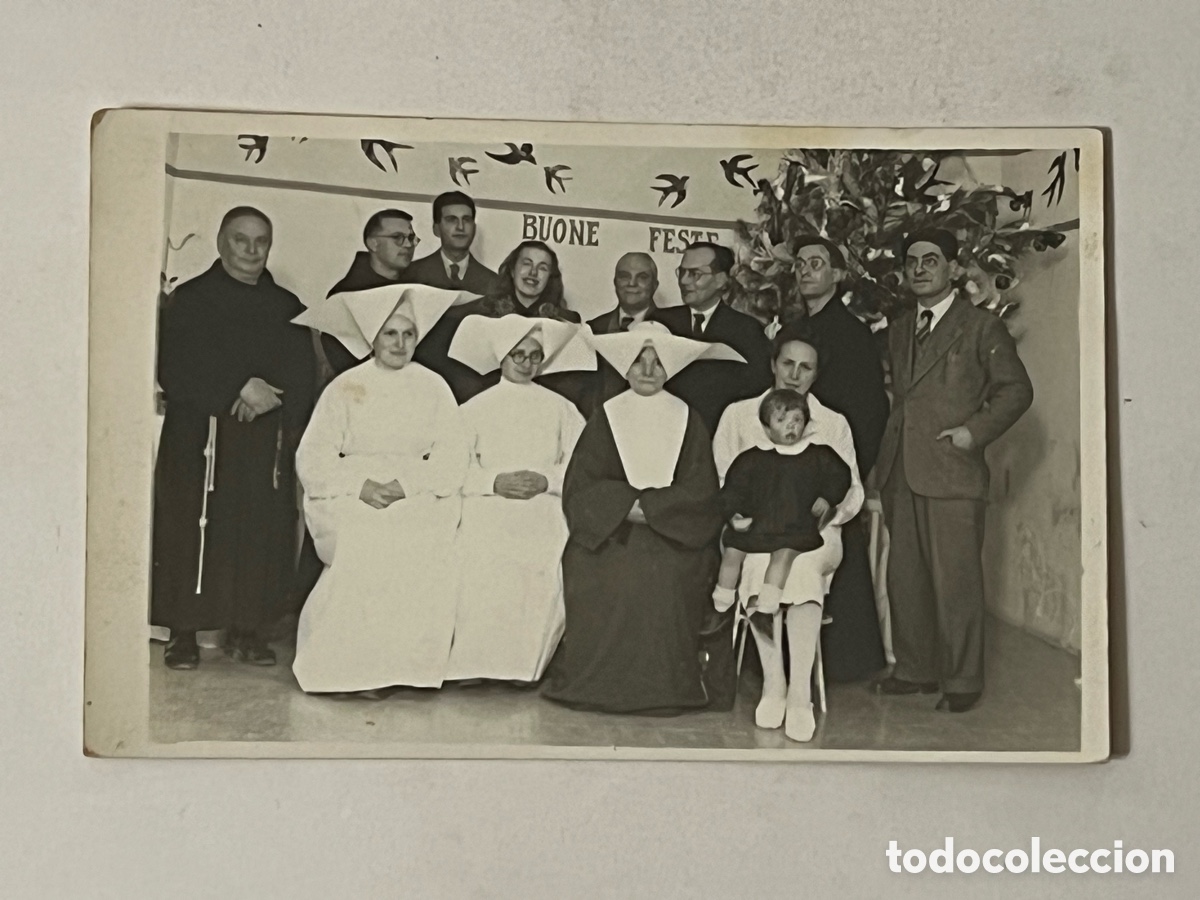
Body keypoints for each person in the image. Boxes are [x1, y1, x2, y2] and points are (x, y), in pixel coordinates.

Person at [873, 228, 1034, 713]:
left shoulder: (982, 326)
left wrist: (973, 432)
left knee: (956, 582)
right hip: (902, 470)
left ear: (953, 269)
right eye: (913, 261)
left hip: (953, 472)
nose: (920, 268)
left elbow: (1016, 391)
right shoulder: (899, 328)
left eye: (931, 260)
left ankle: (963, 681)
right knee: (907, 579)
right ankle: (915, 670)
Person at [544, 322, 742, 714]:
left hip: (674, 537)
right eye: (638, 361)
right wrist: (627, 508)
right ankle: (598, 685)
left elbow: (701, 491)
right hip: (611, 533)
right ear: (624, 367)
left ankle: (665, 688)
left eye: (657, 362)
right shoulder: (606, 416)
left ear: (670, 368)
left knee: (662, 578)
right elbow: (582, 486)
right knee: (605, 574)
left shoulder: (689, 419)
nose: (648, 370)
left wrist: (651, 509)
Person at [152, 206, 316, 669]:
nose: (250, 250)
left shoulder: (287, 306)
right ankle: (182, 632)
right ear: (222, 243)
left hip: (259, 444)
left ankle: (248, 629)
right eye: (241, 240)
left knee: (257, 533)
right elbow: (174, 365)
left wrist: (270, 396)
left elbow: (301, 372)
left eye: (260, 241)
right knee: (190, 531)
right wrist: (237, 388)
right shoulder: (191, 298)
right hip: (198, 439)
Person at [291, 284, 470, 694]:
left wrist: (407, 485)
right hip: (351, 494)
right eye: (390, 333)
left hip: (416, 491)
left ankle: (406, 668)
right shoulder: (344, 387)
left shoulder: (434, 387)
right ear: (373, 337)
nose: (400, 343)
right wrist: (360, 486)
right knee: (367, 537)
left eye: (408, 334)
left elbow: (452, 456)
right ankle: (351, 668)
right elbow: (314, 457)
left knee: (424, 536)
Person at [712, 321, 871, 734]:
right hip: (755, 531)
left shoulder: (831, 423)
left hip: (816, 533)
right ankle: (773, 683)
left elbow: (852, 489)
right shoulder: (739, 415)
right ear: (773, 364)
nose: (795, 375)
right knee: (753, 566)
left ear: (816, 374)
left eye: (806, 368)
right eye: (788, 364)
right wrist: (736, 517)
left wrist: (826, 513)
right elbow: (723, 480)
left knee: (800, 567)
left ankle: (800, 691)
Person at [443, 315, 590, 683]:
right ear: (502, 357)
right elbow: (451, 469)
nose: (526, 364)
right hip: (486, 503)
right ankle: (473, 665)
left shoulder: (562, 408)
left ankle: (523, 668)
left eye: (534, 356)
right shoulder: (473, 409)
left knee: (544, 550)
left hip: (544, 504)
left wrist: (546, 480)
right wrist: (494, 482)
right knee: (480, 552)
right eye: (517, 355)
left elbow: (583, 465)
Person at [715, 389, 851, 619]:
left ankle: (769, 599)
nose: (791, 426)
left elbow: (841, 477)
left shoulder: (819, 456)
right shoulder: (750, 459)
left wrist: (827, 498)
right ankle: (722, 599)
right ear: (766, 427)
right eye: (781, 420)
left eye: (797, 420)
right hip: (756, 526)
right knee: (732, 550)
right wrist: (734, 515)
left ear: (806, 424)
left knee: (784, 554)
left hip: (794, 526)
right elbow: (732, 491)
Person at [653, 241, 773, 436]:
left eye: (695, 274)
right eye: (681, 272)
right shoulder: (659, 323)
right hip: (664, 434)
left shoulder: (747, 330)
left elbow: (756, 390)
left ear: (721, 280)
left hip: (720, 436)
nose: (684, 281)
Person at [792, 236, 890, 474]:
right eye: (799, 264)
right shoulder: (791, 331)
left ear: (836, 275)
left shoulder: (854, 335)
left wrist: (850, 472)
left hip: (832, 463)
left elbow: (871, 410)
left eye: (815, 264)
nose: (805, 270)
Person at [450, 241, 585, 408]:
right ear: (513, 270)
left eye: (542, 268)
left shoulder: (565, 322)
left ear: (550, 277)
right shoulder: (482, 314)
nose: (533, 273)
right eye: (526, 264)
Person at [318, 209, 420, 383]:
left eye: (411, 238)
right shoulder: (345, 295)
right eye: (398, 237)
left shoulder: (418, 289)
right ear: (373, 244)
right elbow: (340, 361)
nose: (408, 245)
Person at [583, 252, 663, 417]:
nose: (632, 284)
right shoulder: (592, 329)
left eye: (642, 277)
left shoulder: (671, 329)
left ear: (655, 285)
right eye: (624, 276)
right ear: (615, 282)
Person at [405, 191, 500, 294]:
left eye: (466, 220)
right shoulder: (411, 275)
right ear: (436, 228)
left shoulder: (494, 283)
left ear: (474, 227)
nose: (460, 227)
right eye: (451, 220)